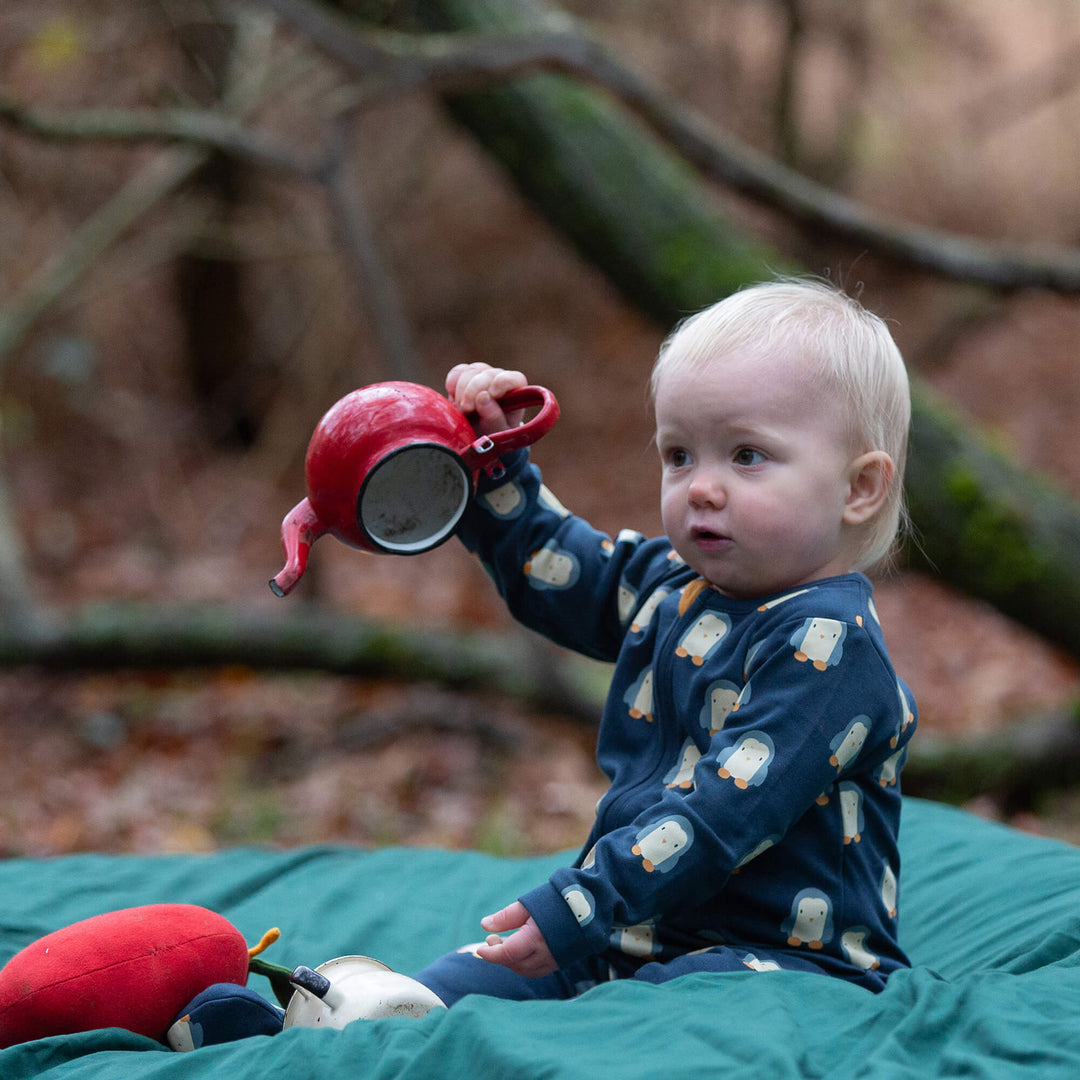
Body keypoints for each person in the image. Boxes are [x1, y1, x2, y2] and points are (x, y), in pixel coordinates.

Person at [413, 278, 918, 1005]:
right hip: (629, 930)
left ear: (858, 488)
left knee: (668, 1009)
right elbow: (560, 570)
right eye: (680, 454)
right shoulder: (676, 586)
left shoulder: (832, 648)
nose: (701, 488)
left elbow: (722, 811)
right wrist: (491, 464)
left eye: (746, 455)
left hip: (786, 967)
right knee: (464, 981)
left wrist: (582, 902)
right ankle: (353, 1020)